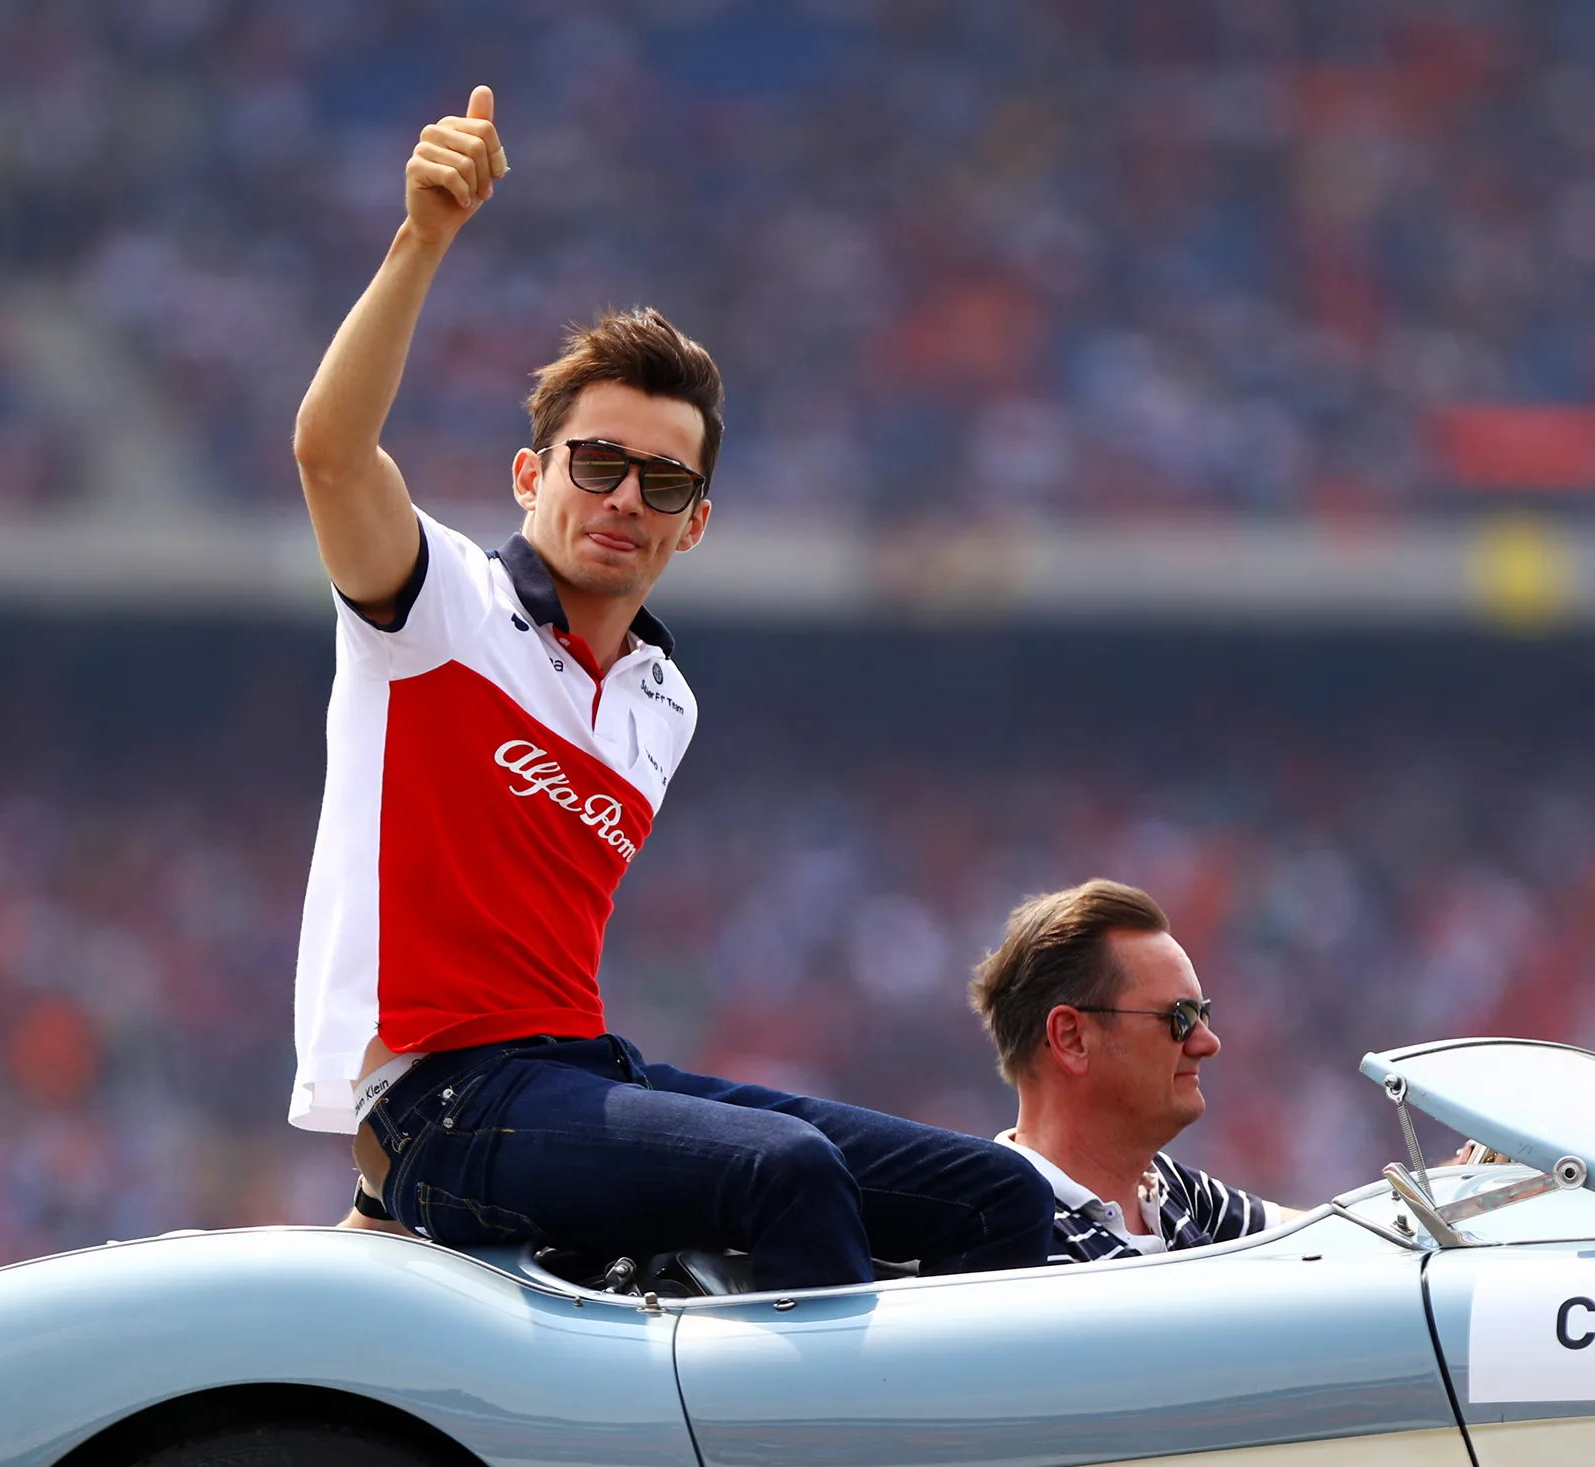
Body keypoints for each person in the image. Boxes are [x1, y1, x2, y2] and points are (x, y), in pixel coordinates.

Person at [286, 85, 1052, 1290]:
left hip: (576, 1072)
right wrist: (422, 237)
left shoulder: (664, 702)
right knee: (785, 1171)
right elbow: (331, 454)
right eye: (597, 466)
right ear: (531, 473)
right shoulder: (437, 611)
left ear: (695, 526)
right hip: (440, 1105)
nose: (624, 501)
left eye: (662, 483)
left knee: (997, 1195)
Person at [969, 879, 1293, 1263]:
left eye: (1202, 1014)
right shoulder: (1018, 1239)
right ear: (1072, 1038)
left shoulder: (1169, 1187)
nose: (1208, 1042)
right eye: (1181, 1018)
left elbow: (1328, 1235)